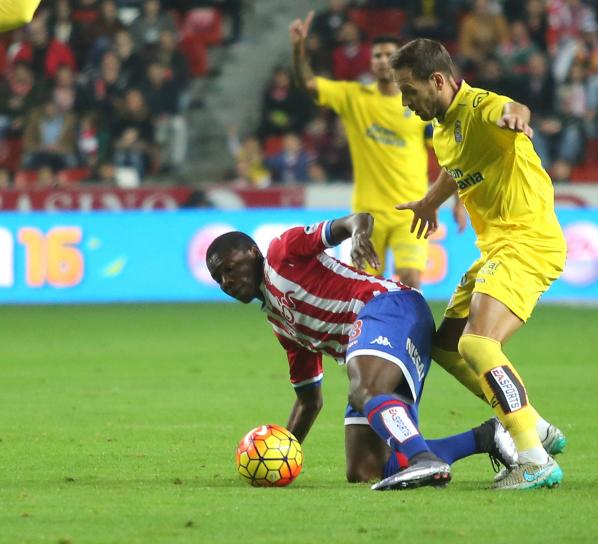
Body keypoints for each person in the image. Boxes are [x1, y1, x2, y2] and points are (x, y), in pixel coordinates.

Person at [205, 214, 518, 491]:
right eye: (218, 278)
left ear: (252, 253)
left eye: (229, 269)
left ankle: (423, 458)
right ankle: (486, 437)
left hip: (389, 306)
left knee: (364, 389)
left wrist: (358, 236)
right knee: (366, 469)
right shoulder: (281, 325)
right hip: (378, 342)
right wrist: (283, 453)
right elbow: (309, 400)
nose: (226, 281)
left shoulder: (282, 251)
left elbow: (358, 219)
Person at [390, 39, 567, 490]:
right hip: (497, 247)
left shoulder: (481, 108)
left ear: (438, 80)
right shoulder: (442, 129)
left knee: (478, 344)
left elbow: (512, 108)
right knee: (446, 346)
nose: (406, 103)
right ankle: (536, 425)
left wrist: (518, 118)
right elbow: (455, 166)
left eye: (410, 91)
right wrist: (431, 201)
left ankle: (533, 458)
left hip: (527, 240)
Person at [290, 11, 464, 289]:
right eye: (377, 56)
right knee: (366, 286)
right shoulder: (354, 97)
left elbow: (449, 153)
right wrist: (299, 48)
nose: (383, 61)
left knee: (410, 280)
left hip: (412, 208)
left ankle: (411, 333)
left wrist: (458, 201)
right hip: (367, 214)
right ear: (370, 62)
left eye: (388, 55)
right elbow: (308, 84)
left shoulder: (420, 103)